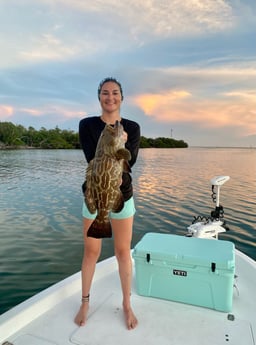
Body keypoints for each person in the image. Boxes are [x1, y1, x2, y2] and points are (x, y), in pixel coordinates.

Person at [74, 77, 141, 330]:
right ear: (99, 97)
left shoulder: (132, 128)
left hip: (122, 194)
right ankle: (85, 302)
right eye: (105, 93)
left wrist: (122, 145)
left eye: (115, 93)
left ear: (122, 98)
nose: (110, 97)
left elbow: (129, 163)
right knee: (91, 252)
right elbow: (93, 158)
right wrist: (114, 143)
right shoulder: (87, 125)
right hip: (95, 194)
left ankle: (126, 304)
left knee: (123, 252)